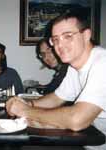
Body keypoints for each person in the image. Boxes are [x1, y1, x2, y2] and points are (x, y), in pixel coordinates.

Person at [6, 10, 106, 150]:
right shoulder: (74, 66)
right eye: (56, 39)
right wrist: (28, 103)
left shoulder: (102, 63)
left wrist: (25, 110)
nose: (60, 45)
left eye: (68, 36)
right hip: (89, 142)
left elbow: (77, 120)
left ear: (86, 35)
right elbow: (56, 98)